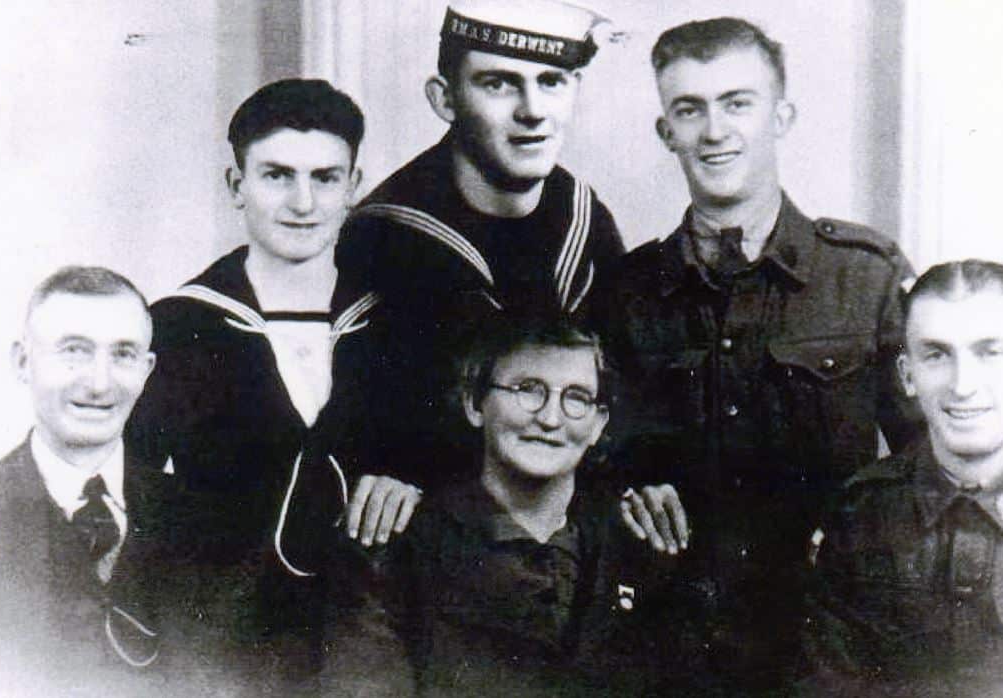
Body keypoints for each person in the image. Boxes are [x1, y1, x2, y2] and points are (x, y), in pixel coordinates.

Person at [592, 17, 921, 691]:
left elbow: (925, 462)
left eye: (737, 103)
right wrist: (628, 492)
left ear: (781, 116)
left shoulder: (864, 276)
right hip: (674, 651)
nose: (715, 132)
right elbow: (589, 464)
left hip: (832, 650)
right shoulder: (627, 293)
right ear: (666, 132)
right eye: (689, 110)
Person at [123, 79, 420, 694]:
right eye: (277, 175)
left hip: (373, 649)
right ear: (237, 186)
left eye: (325, 178)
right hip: (224, 652)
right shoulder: (176, 327)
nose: (303, 202)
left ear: (353, 188)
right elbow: (133, 495)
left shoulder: (401, 327)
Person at [330, 0, 626, 497]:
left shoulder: (585, 218)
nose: (532, 111)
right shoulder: (381, 236)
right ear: (445, 99)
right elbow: (355, 424)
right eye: (499, 83)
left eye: (551, 81)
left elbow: (624, 390)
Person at [317, 318, 686, 696]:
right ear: (475, 403)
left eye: (576, 397)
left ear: (597, 423)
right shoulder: (394, 549)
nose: (549, 418)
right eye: (528, 390)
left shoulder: (639, 547)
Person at [803, 259, 1003, 696]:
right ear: (908, 376)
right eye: (937, 355)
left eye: (991, 352)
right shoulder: (862, 513)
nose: (963, 385)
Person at [0, 266, 161, 697]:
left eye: (123, 354)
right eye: (75, 351)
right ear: (23, 363)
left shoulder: (208, 523)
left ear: (147, 369)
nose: (99, 383)